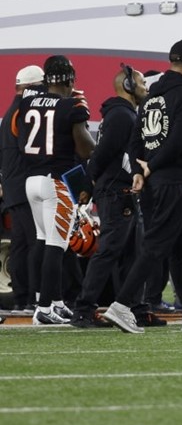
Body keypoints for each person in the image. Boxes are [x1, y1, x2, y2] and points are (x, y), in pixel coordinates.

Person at [101, 40, 182, 333]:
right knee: (157, 244)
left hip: (153, 180)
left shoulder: (149, 98)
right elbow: (181, 140)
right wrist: (153, 167)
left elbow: (135, 141)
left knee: (179, 246)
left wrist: (139, 170)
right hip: (171, 179)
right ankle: (121, 306)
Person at [17, 56, 95, 325]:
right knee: (56, 245)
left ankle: (54, 301)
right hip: (57, 182)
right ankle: (45, 307)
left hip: (32, 180)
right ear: (71, 78)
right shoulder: (71, 106)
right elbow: (85, 148)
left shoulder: (26, 101)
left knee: (42, 239)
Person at [72, 65, 151, 328]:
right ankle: (83, 309)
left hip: (118, 190)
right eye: (141, 83)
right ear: (128, 86)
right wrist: (89, 182)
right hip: (116, 191)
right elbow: (102, 153)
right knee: (109, 252)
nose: (145, 87)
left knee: (129, 253)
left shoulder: (120, 113)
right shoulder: (121, 115)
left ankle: (133, 309)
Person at [0, 65, 45, 317]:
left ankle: (21, 297)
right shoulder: (24, 111)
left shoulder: (11, 111)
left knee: (20, 243)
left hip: (13, 185)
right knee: (32, 242)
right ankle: (30, 297)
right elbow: (29, 149)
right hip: (24, 184)